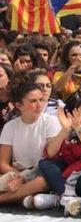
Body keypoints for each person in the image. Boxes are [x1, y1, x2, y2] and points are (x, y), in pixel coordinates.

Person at [0, 79, 63, 208]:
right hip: (17, 171)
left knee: (41, 182)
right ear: (18, 105)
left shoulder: (51, 122)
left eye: (41, 100)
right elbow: (3, 163)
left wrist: (23, 179)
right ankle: (25, 199)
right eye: (33, 101)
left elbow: (52, 157)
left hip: (41, 172)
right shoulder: (10, 126)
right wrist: (18, 177)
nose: (39, 105)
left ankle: (5, 199)